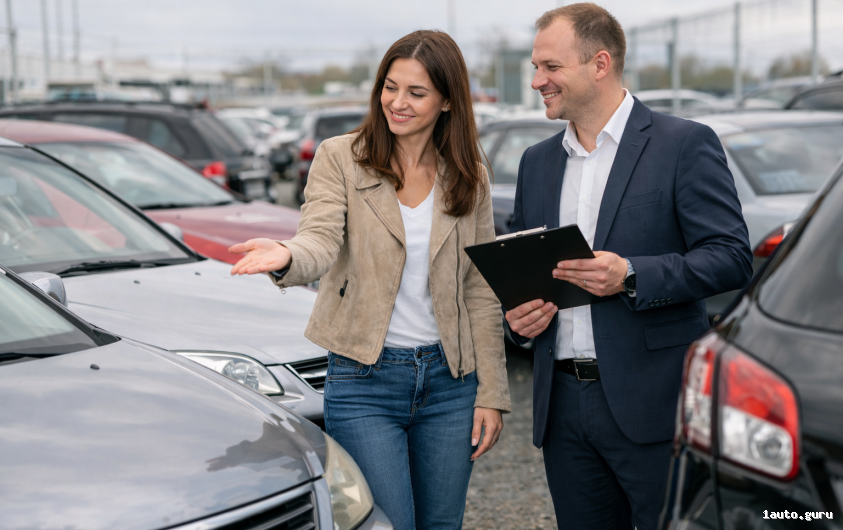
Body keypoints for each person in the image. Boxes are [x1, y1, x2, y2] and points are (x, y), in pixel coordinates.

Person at [229, 30, 511, 530]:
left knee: (441, 524)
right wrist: (287, 255)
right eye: (390, 86)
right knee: (387, 524)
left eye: (416, 93)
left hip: (451, 384)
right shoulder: (341, 156)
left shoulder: (470, 175)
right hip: (365, 380)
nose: (397, 103)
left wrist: (491, 392)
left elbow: (481, 288)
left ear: (448, 102)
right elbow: (319, 239)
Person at [503, 4, 752, 529]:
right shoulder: (536, 162)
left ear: (599, 63)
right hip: (562, 409)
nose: (536, 81)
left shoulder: (683, 144)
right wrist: (521, 321)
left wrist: (631, 274)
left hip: (655, 404)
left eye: (550, 67)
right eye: (535, 67)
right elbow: (527, 279)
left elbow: (731, 257)